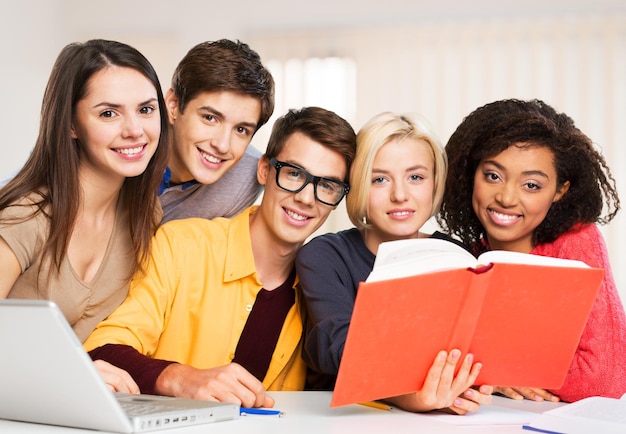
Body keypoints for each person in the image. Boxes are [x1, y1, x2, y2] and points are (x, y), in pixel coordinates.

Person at [83, 106, 357, 409]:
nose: (306, 198)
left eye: (327, 186)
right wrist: (181, 378)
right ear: (265, 170)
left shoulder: (320, 291)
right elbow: (101, 351)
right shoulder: (181, 245)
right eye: (293, 174)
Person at [296, 112, 493, 414]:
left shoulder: (454, 255)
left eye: (415, 177)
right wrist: (409, 396)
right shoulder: (324, 256)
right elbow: (341, 349)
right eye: (379, 179)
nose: (400, 195)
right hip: (342, 420)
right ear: (358, 184)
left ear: (434, 183)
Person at [437, 98, 626, 403]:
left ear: (560, 191)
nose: (507, 197)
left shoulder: (576, 241)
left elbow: (604, 378)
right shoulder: (459, 257)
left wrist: (492, 370)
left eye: (532, 185)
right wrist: (493, 377)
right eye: (493, 176)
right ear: (471, 174)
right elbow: (428, 368)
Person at [0, 39, 169, 343]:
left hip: (92, 391)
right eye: (108, 113)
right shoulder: (24, 217)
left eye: (146, 109)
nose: (134, 130)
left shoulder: (145, 215)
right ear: (70, 125)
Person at [159, 39, 274, 223]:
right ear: (173, 105)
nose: (222, 145)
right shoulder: (130, 148)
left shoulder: (247, 176)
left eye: (241, 129)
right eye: (210, 118)